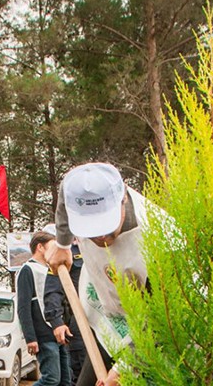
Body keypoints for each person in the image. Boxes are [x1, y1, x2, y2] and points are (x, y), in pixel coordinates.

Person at [47, 162, 152, 386]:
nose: (101, 238)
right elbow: (66, 192)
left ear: (122, 199)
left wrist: (124, 368)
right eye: (91, 231)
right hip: (110, 318)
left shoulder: (156, 238)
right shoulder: (74, 196)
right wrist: (62, 243)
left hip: (157, 332)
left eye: (106, 226)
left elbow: (161, 322)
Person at [18, 231, 71, 386]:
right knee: (51, 379)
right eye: (52, 246)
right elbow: (23, 307)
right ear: (40, 247)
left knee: (65, 381)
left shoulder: (52, 269)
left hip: (58, 334)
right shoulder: (27, 270)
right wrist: (30, 338)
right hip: (43, 335)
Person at [42, 224, 85, 384]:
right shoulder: (67, 252)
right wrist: (56, 321)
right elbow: (53, 288)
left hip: (115, 324)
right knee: (82, 377)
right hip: (82, 325)